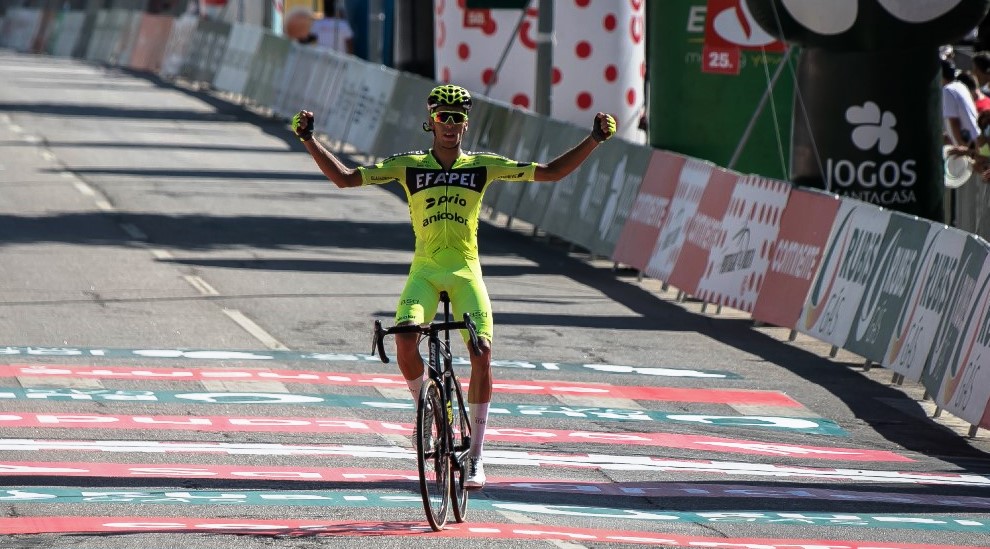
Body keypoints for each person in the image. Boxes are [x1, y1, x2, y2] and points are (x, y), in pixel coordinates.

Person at [291, 84, 616, 489]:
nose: (450, 125)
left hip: (465, 274)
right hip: (424, 273)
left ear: (466, 123)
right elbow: (344, 179)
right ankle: (429, 410)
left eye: (458, 118)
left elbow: (549, 173)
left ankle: (476, 456)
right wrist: (308, 139)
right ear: (431, 121)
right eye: (443, 117)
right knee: (405, 340)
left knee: (481, 353)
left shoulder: (482, 165)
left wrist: (594, 140)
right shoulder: (408, 165)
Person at [941, 59, 980, 147]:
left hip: (969, 143)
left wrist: (960, 146)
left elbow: (954, 121)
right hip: (976, 138)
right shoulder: (960, 85)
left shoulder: (948, 90)